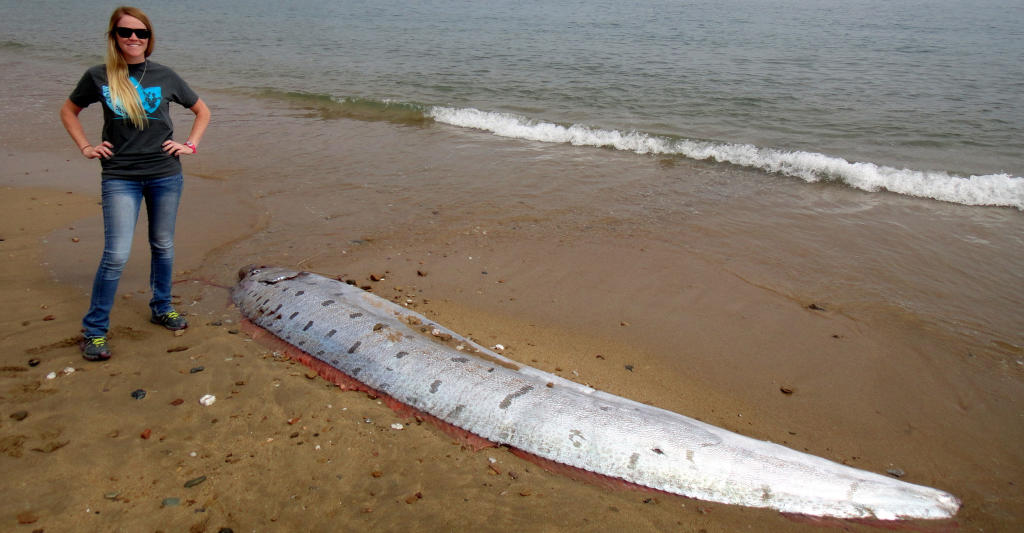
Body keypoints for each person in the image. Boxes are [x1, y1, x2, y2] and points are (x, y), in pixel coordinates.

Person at [60, 6, 211, 361]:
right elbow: (69, 110)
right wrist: (86, 146)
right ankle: (95, 331)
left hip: (165, 173)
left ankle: (162, 307)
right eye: (126, 32)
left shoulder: (165, 75)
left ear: (149, 38)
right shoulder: (99, 76)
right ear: (114, 36)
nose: (133, 38)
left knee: (162, 245)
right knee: (116, 255)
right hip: (120, 176)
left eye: (140, 33)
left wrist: (190, 145)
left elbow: (202, 110)